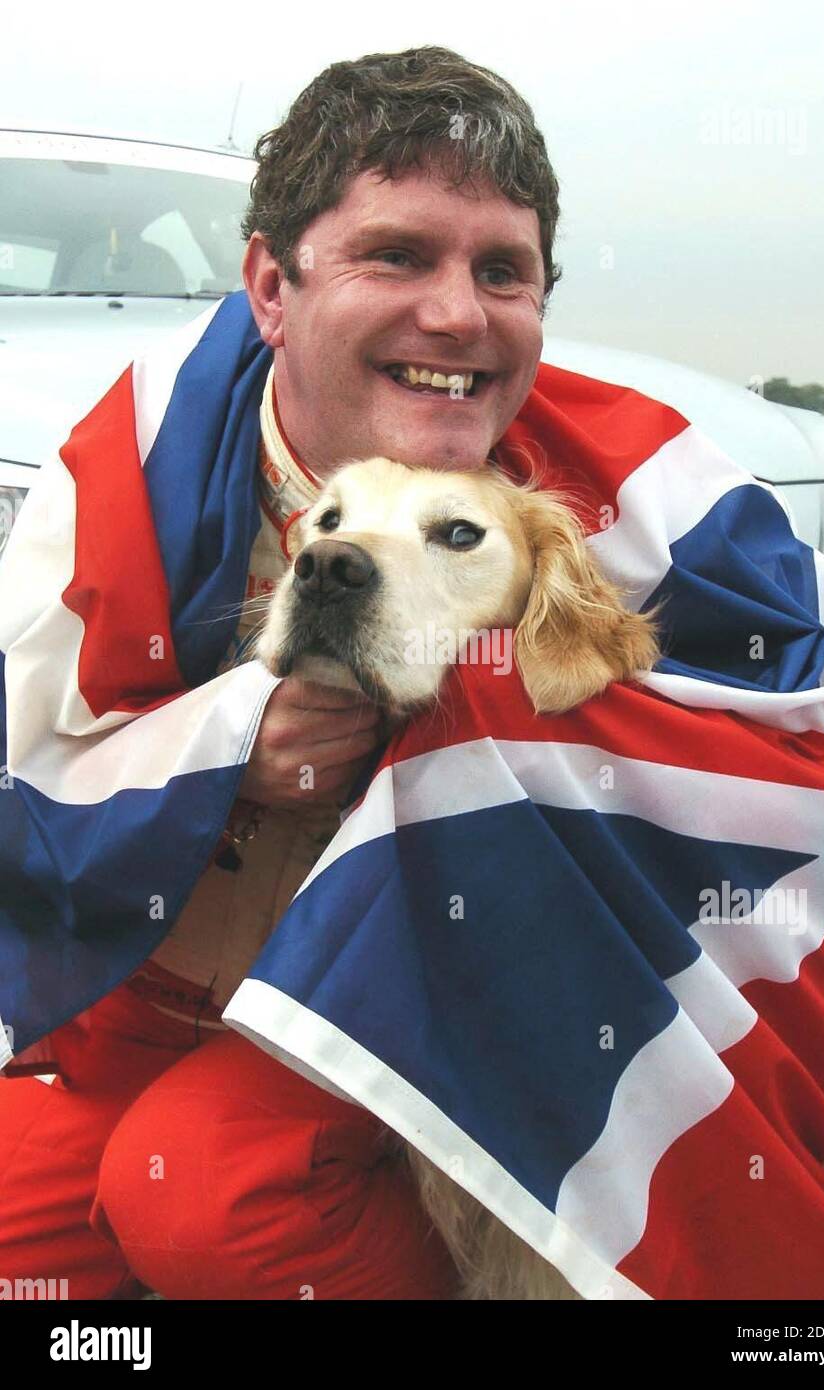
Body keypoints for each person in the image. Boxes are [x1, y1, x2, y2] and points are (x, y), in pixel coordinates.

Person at [0, 44, 560, 1300]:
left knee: (204, 1198)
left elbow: (775, 761)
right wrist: (231, 743)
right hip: (138, 1002)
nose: (459, 316)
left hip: (405, 1023)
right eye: (398, 254)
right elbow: (19, 779)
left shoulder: (632, 501)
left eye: (501, 271)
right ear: (270, 284)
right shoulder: (110, 478)